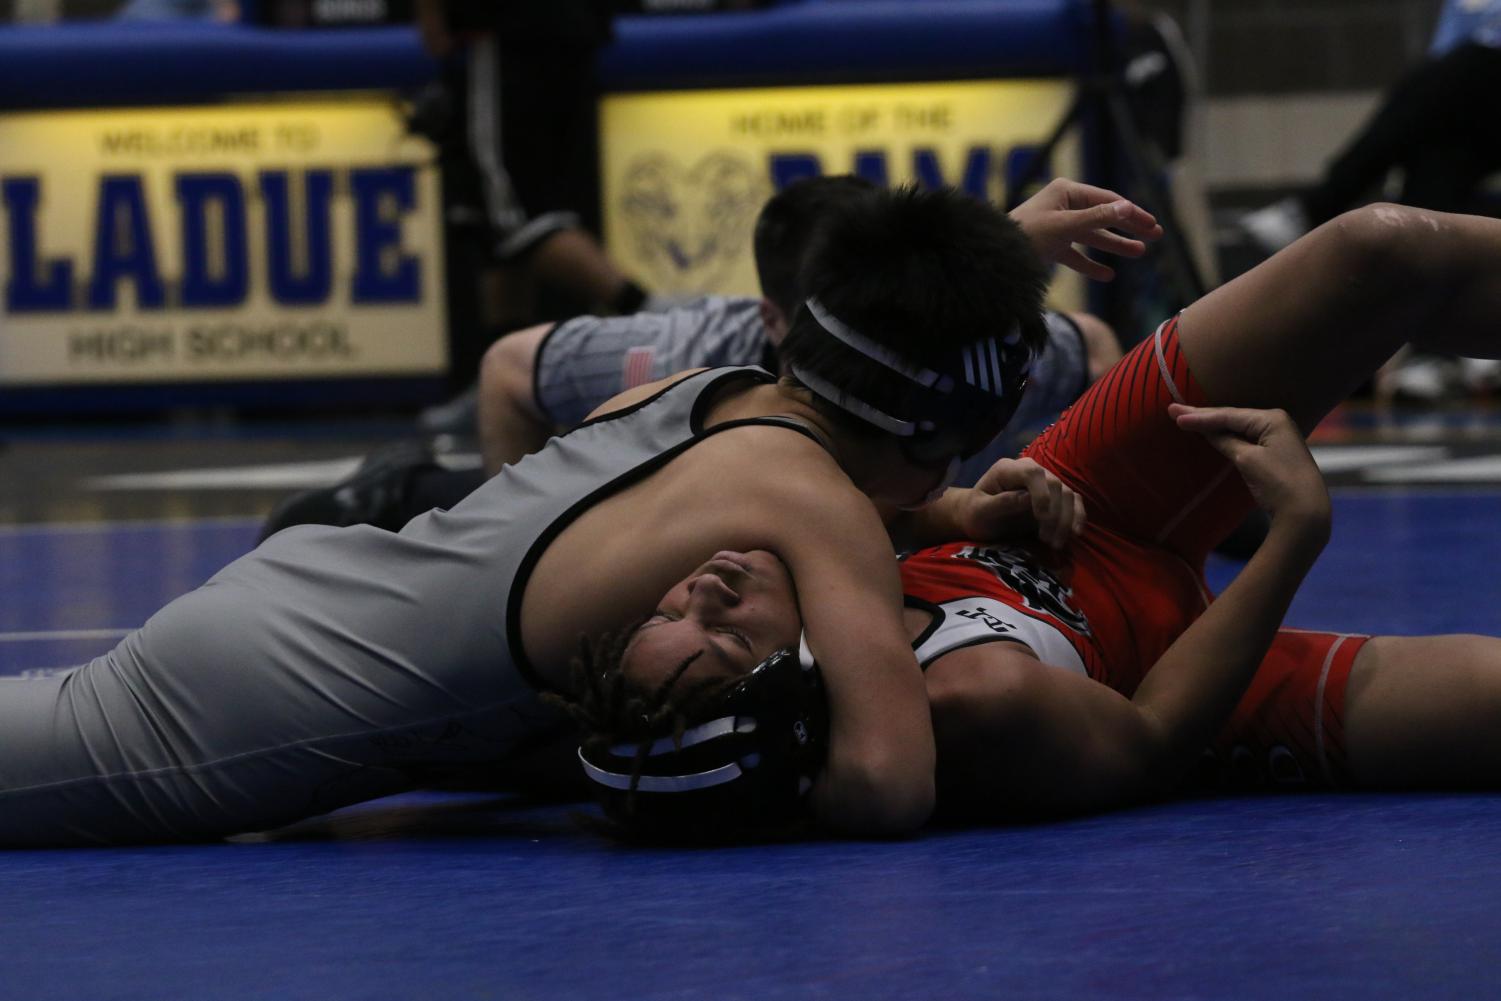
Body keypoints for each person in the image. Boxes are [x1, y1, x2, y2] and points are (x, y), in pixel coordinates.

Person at [0, 182, 1158, 847]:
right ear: (929, 436)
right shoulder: (824, 509)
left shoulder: (702, 394)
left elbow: (868, 354)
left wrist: (983, 263)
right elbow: (889, 783)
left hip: (305, 602)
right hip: (245, 705)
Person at [569, 198, 1501, 837]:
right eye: (720, 635)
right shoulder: (974, 706)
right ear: (784, 693)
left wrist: (961, 510)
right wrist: (1292, 537)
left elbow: (862, 492)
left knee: (1378, 250)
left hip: (1086, 493)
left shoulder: (766, 547)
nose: (706, 585)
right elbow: (1150, 739)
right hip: (1183, 673)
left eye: (666, 610)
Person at [257, 176, 1122, 539]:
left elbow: (1092, 352)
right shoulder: (689, 357)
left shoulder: (962, 351)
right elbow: (509, 368)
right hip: (609, 506)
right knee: (335, 523)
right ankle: (407, 490)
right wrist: (513, 534)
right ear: (770, 321)